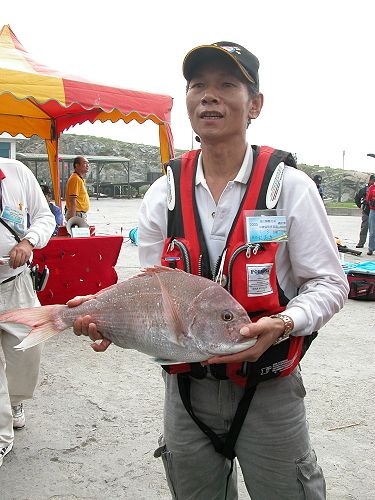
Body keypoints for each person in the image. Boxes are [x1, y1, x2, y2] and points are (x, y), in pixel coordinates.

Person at [70, 41, 349, 499]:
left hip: (269, 387)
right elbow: (153, 292)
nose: (208, 96)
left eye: (226, 85)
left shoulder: (291, 188)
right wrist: (109, 320)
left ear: (255, 104)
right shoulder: (163, 193)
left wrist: (281, 323)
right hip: (186, 394)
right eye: (197, 85)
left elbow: (330, 282)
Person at [0, 158, 55, 467]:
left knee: (26, 353)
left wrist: (28, 241)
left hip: (16, 284)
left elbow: (45, 217)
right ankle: (1, 437)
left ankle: (15, 400)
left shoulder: (17, 172)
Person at [64, 156, 90, 221]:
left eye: (88, 163)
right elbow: (72, 200)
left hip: (79, 214)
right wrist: (72, 220)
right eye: (84, 163)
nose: (87, 165)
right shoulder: (75, 179)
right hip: (76, 214)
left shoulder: (79, 179)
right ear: (77, 165)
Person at [354, 174, 375, 248]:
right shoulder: (364, 189)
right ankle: (361, 242)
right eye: (373, 180)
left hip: (373, 210)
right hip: (366, 211)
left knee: (373, 230)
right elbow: (357, 197)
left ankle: (372, 246)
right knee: (364, 228)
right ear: (370, 180)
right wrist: (360, 206)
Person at [365, 176, 375, 255]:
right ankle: (371, 248)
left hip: (372, 210)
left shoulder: (371, 188)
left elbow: (368, 198)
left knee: (372, 230)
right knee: (372, 230)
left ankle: (371, 248)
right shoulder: (371, 188)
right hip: (373, 210)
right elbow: (368, 198)